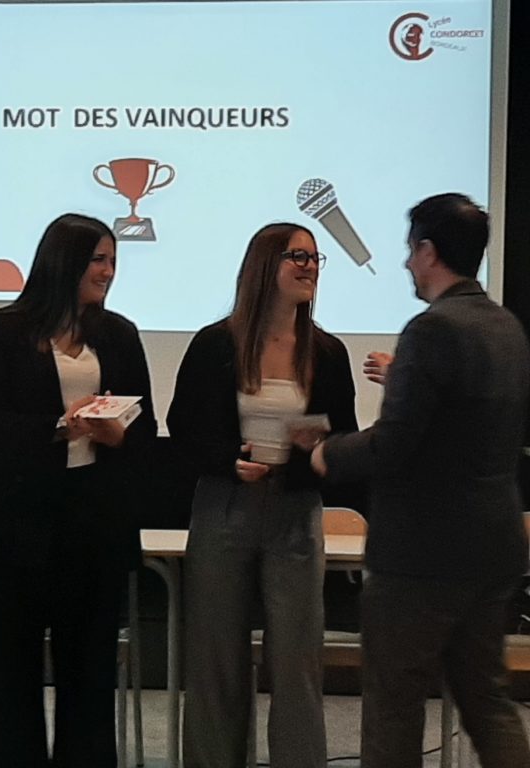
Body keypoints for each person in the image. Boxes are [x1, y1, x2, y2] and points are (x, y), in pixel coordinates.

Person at [312, 193, 530, 767]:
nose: (407, 263)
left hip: (422, 557)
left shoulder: (432, 330)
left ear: (429, 251)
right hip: (494, 546)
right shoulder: (506, 326)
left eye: (411, 251)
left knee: (394, 707)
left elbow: (393, 444)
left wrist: (327, 453)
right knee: (488, 701)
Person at [0, 213, 156, 768]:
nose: (109, 271)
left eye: (113, 260)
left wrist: (118, 434)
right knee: (8, 670)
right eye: (98, 260)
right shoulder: (3, 330)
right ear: (64, 262)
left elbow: (146, 425)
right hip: (17, 526)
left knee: (89, 671)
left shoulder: (119, 334)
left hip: (92, 521)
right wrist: (57, 426)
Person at [168, 222, 357, 768]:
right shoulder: (215, 344)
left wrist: (313, 450)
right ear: (264, 266)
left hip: (295, 511)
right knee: (216, 657)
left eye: (316, 258)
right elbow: (183, 428)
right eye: (297, 256)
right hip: (224, 505)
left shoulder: (327, 351)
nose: (309, 266)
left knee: (297, 661)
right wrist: (228, 460)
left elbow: (342, 434)